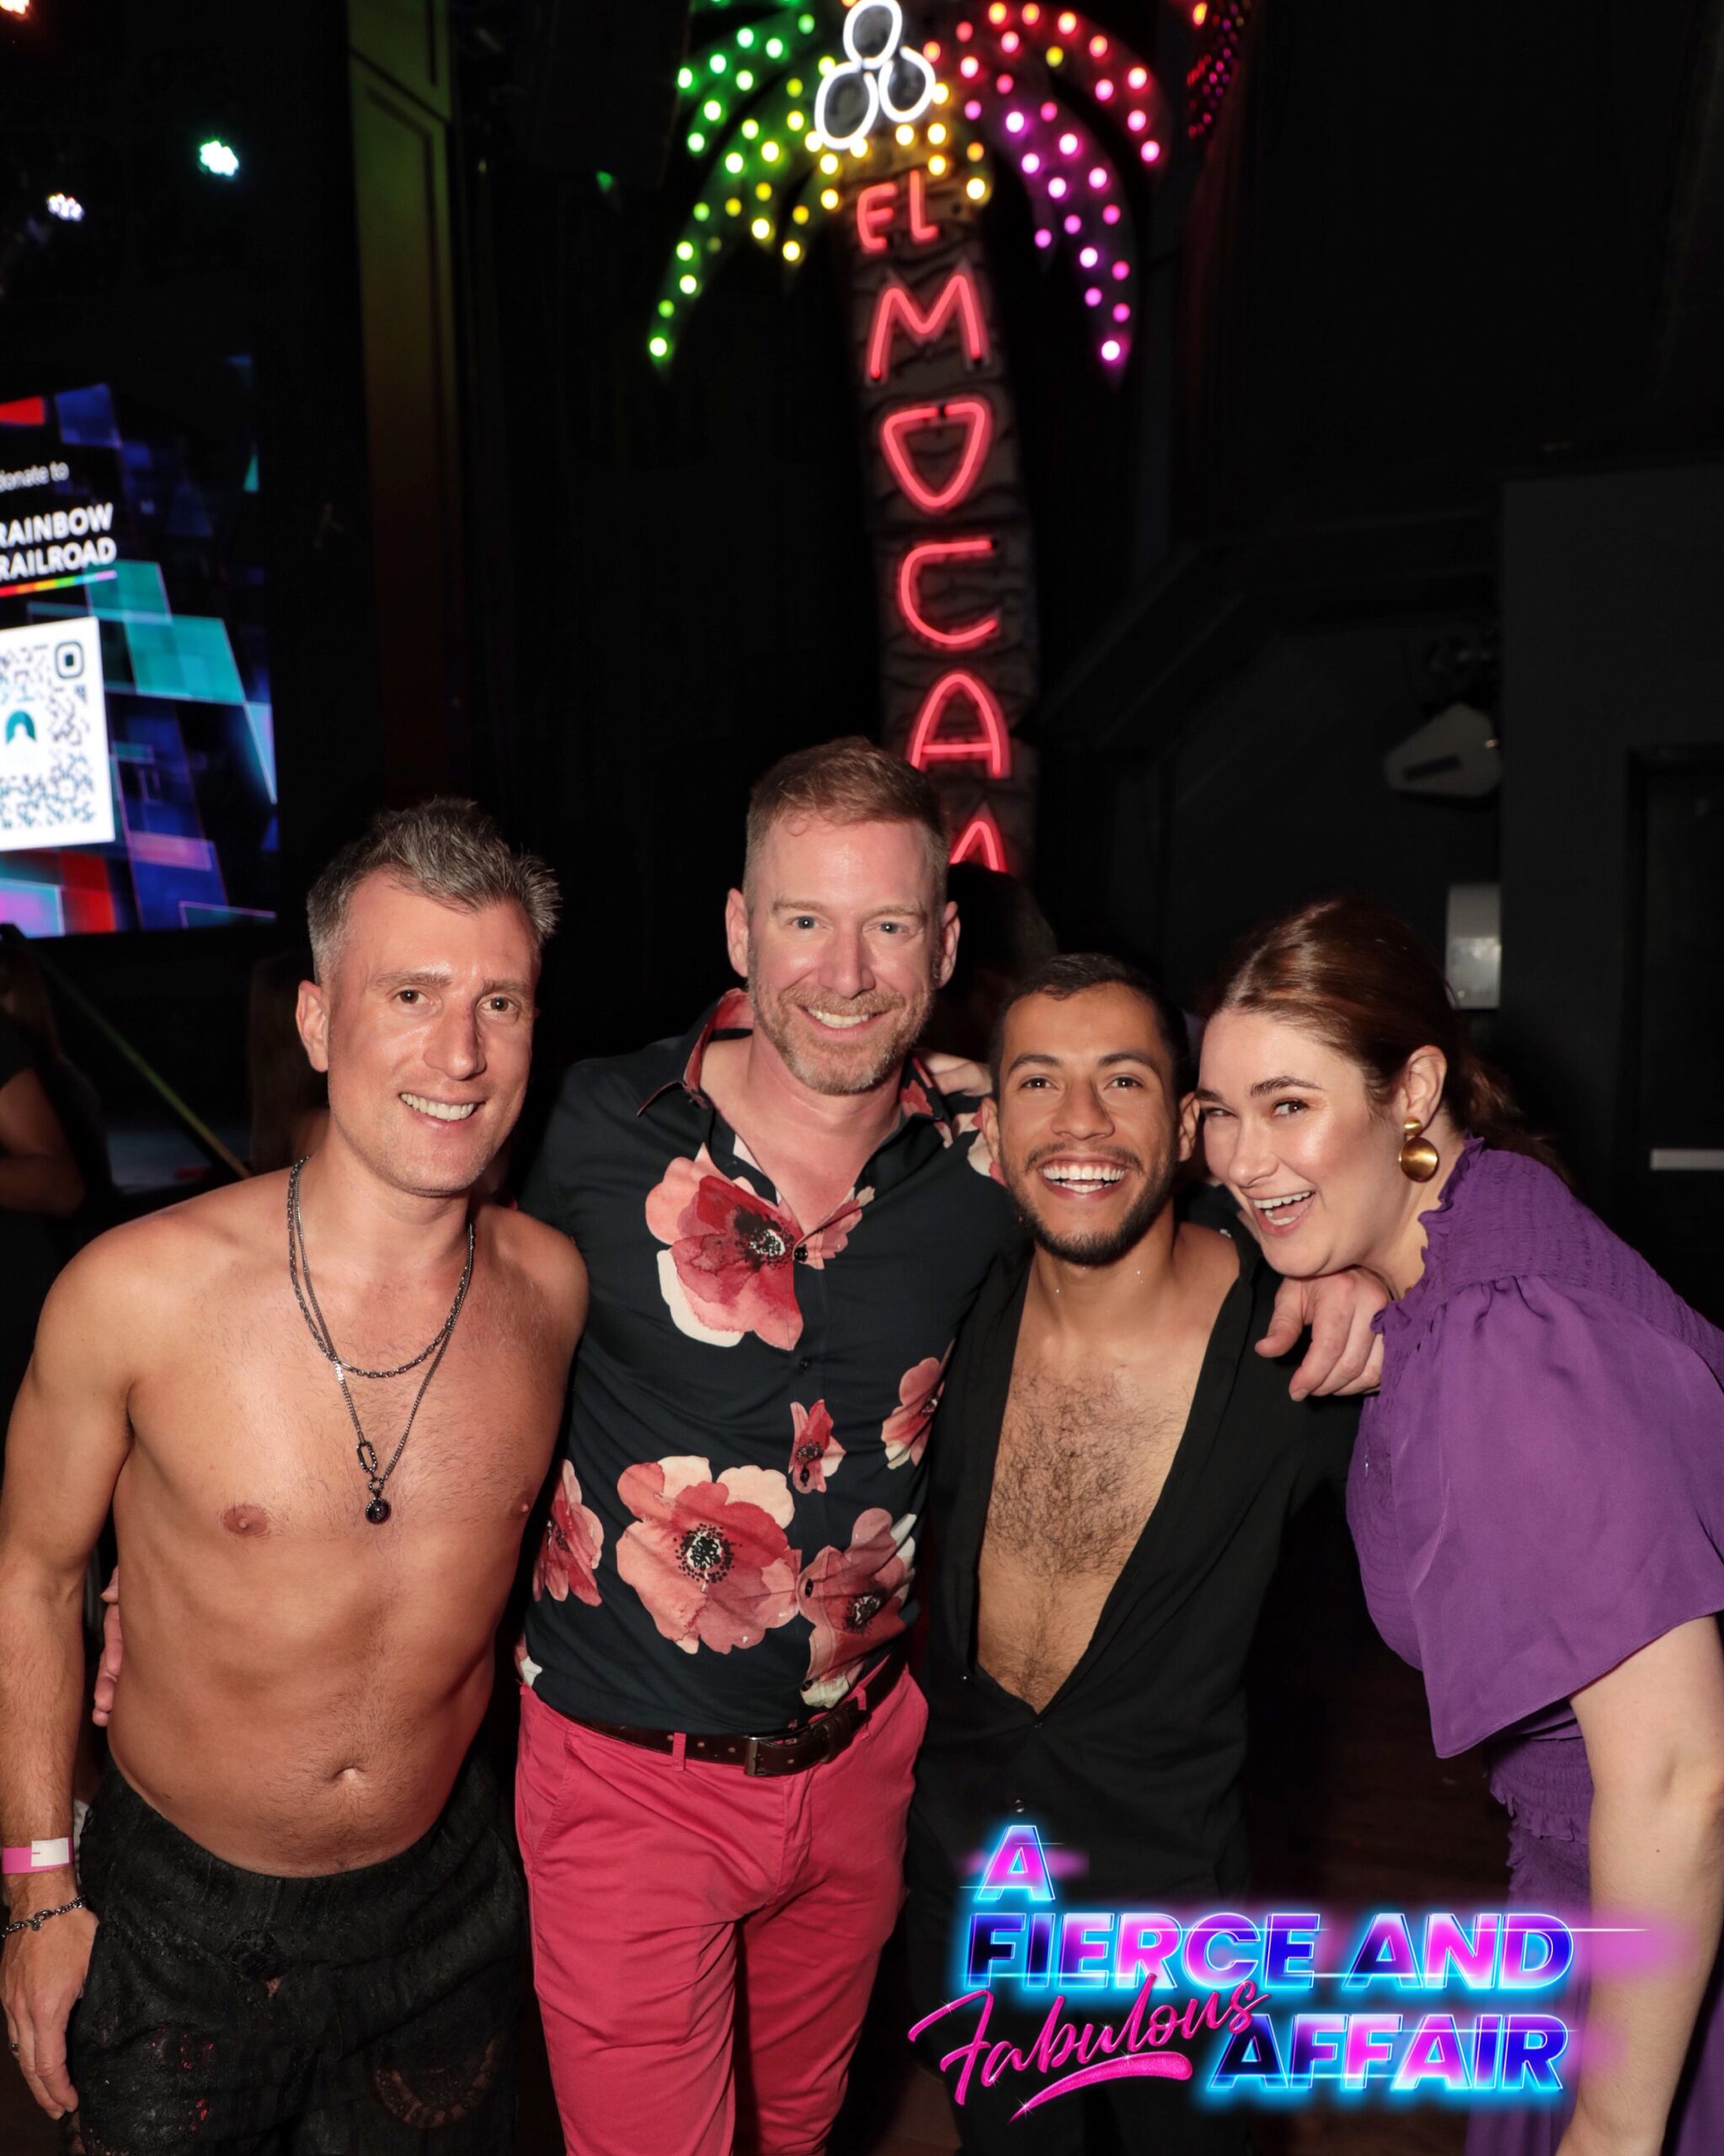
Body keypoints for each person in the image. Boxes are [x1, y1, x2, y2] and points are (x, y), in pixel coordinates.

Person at [514, 739, 1380, 2156]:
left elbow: (1145, 1170)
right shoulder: (585, 1130)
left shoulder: (984, 1161)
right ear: (739, 929)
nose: (846, 972)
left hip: (869, 1779)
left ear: (945, 945)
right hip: (629, 1773)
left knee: (799, 2130)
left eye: (889, 926)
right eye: (805, 919)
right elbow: (394, 1273)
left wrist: (1338, 1265)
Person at [0, 799, 586, 2152]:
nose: (460, 1052)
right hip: (178, 1926)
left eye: (500, 1003)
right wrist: (36, 1894)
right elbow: (31, 1574)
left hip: (448, 1908)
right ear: (318, 1024)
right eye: (412, 995)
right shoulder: (134, 1293)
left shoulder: (555, 1291)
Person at [1195, 893, 1724, 2156]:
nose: (1241, 1159)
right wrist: (1353, 1265)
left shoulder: (1514, 1341)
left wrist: (1613, 2129)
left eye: (1288, 1105)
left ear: (1416, 1091)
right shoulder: (1488, 1213)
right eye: (1218, 1112)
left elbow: (1680, 1777)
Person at [906, 954, 1358, 2154]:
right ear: (991, 1128)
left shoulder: (1296, 1348)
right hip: (970, 1887)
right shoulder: (946, 1310)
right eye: (1038, 1083)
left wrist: (1377, 1269)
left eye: (1123, 1080)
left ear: (1190, 1124)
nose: (1081, 1122)